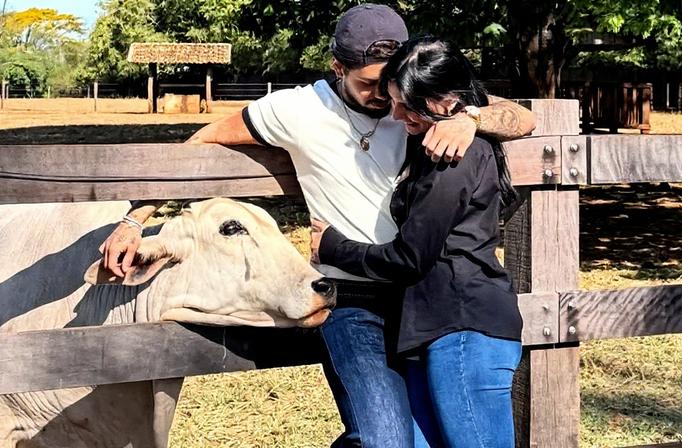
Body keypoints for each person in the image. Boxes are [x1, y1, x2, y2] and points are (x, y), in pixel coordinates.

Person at [99, 5, 535, 447]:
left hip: (417, 299)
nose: (384, 99)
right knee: (385, 440)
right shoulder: (297, 109)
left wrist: (469, 118)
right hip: (352, 298)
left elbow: (524, 118)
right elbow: (199, 145)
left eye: (390, 84)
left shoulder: (412, 100)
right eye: (368, 84)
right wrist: (136, 218)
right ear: (338, 67)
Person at [310, 36, 523, 448]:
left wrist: (333, 247)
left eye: (406, 105)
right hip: (436, 331)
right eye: (393, 101)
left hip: (463, 327)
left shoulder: (454, 156)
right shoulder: (434, 142)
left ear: (445, 100)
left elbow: (410, 257)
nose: (396, 114)